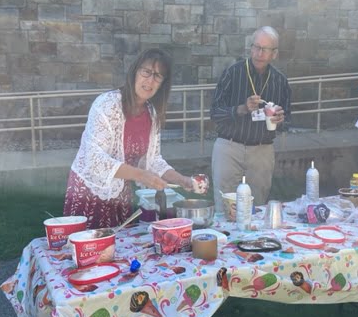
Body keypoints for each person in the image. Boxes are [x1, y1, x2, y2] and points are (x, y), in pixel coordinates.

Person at [63, 48, 193, 229]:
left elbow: (153, 160)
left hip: (121, 194)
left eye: (158, 76)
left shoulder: (152, 114)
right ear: (135, 71)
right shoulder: (106, 104)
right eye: (146, 72)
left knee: (120, 250)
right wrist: (141, 175)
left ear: (162, 84)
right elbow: (94, 159)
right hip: (89, 192)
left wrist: (180, 179)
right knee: (90, 251)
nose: (150, 81)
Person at [210, 26, 292, 213]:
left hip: (262, 151)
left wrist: (280, 120)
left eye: (265, 49)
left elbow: (288, 120)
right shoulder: (233, 72)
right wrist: (241, 108)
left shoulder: (280, 81)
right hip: (229, 147)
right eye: (256, 47)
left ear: (275, 54)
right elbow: (215, 112)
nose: (259, 53)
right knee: (224, 207)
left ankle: (252, 242)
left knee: (257, 207)